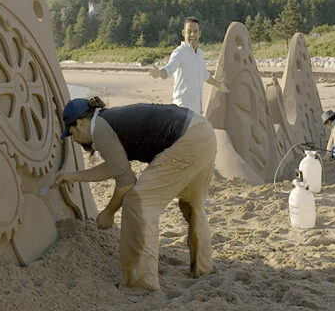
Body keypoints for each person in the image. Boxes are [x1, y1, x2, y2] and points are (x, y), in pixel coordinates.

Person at [56, 96, 216, 292]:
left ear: (80, 123)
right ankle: (203, 267)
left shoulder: (99, 130)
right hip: (203, 132)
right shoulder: (109, 120)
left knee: (137, 202)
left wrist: (109, 212)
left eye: (72, 133)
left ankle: (140, 283)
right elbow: (115, 166)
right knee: (192, 202)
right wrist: (74, 177)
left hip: (186, 140)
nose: (75, 139)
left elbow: (126, 183)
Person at [149, 16, 227, 114]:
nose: (192, 34)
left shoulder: (199, 53)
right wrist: (160, 72)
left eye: (195, 31)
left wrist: (219, 85)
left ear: (200, 33)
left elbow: (204, 74)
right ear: (183, 33)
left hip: (197, 110)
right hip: (182, 110)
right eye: (189, 31)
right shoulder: (179, 52)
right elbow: (169, 69)